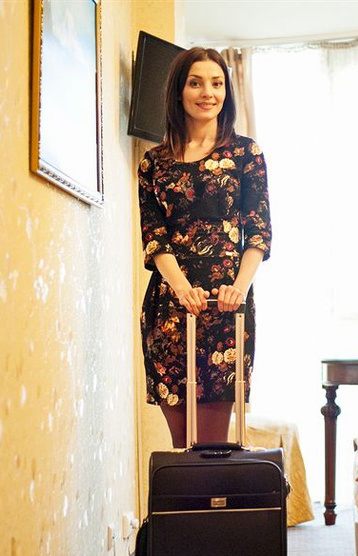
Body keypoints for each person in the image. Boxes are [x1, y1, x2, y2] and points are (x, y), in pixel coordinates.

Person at [138, 47, 271, 448]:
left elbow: (258, 232)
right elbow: (155, 237)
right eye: (196, 83)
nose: (207, 93)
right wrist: (181, 289)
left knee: (212, 448)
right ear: (179, 91)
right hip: (171, 304)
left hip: (227, 303)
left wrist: (240, 288)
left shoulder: (245, 153)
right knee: (182, 449)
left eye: (216, 83)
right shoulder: (154, 164)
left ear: (226, 92)